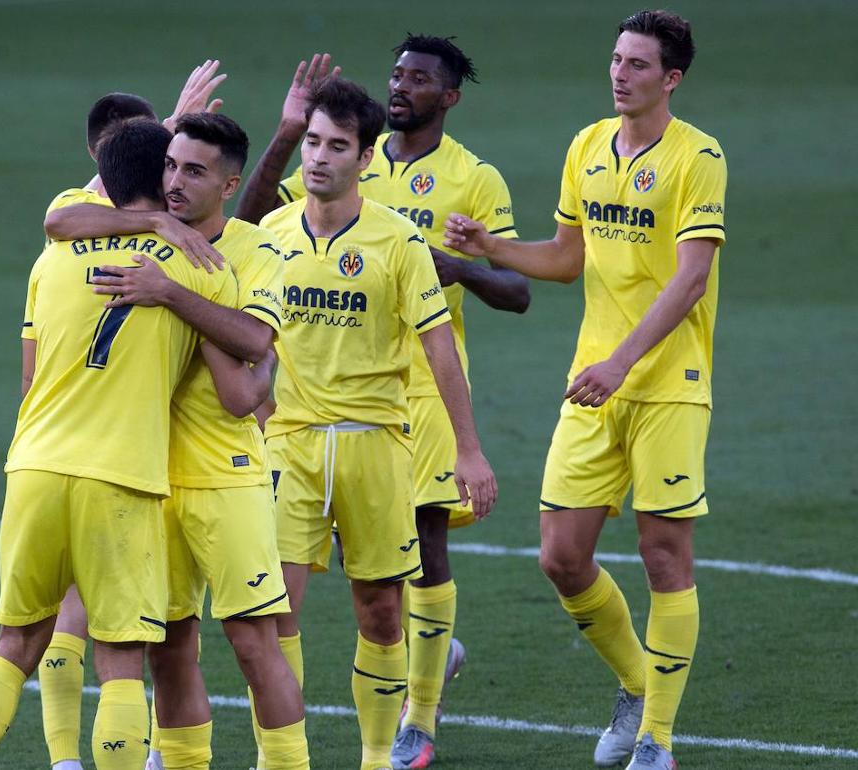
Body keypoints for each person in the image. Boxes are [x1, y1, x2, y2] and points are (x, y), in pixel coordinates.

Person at [236, 38, 530, 769]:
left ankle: (382, 752)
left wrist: (468, 449)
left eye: (336, 146)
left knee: (379, 612)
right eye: (313, 143)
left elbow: (438, 346)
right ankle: (285, 761)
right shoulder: (273, 233)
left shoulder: (400, 242)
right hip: (292, 448)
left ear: (365, 157)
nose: (319, 158)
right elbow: (230, 253)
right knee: (275, 615)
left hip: (378, 445)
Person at [443, 10, 726, 770]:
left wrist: (625, 363)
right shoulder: (586, 147)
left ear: (670, 78)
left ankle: (658, 743)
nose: (619, 73)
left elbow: (692, 278)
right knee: (561, 557)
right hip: (595, 379)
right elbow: (568, 258)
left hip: (666, 383)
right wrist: (491, 247)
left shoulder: (698, 158)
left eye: (637, 64)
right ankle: (638, 687)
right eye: (615, 59)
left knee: (664, 556)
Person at [0, 117, 237, 770]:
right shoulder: (197, 264)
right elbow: (245, 374)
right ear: (163, 177)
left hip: (34, 466)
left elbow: (65, 215)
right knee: (122, 660)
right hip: (121, 476)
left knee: (14, 642)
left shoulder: (51, 254)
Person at [52, 112, 309, 770]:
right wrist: (156, 236)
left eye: (194, 171)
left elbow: (251, 353)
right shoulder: (137, 230)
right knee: (168, 647)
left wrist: (170, 292)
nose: (173, 182)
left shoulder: (259, 252)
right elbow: (60, 220)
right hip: (147, 478)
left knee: (254, 644)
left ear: (229, 185)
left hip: (225, 475)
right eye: (169, 165)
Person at [32, 65, 231, 770]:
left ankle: (66, 758)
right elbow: (245, 384)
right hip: (135, 456)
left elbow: (33, 358)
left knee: (63, 620)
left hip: (54, 449)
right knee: (132, 634)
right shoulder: (186, 249)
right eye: (167, 159)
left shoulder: (58, 245)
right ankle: (139, 753)